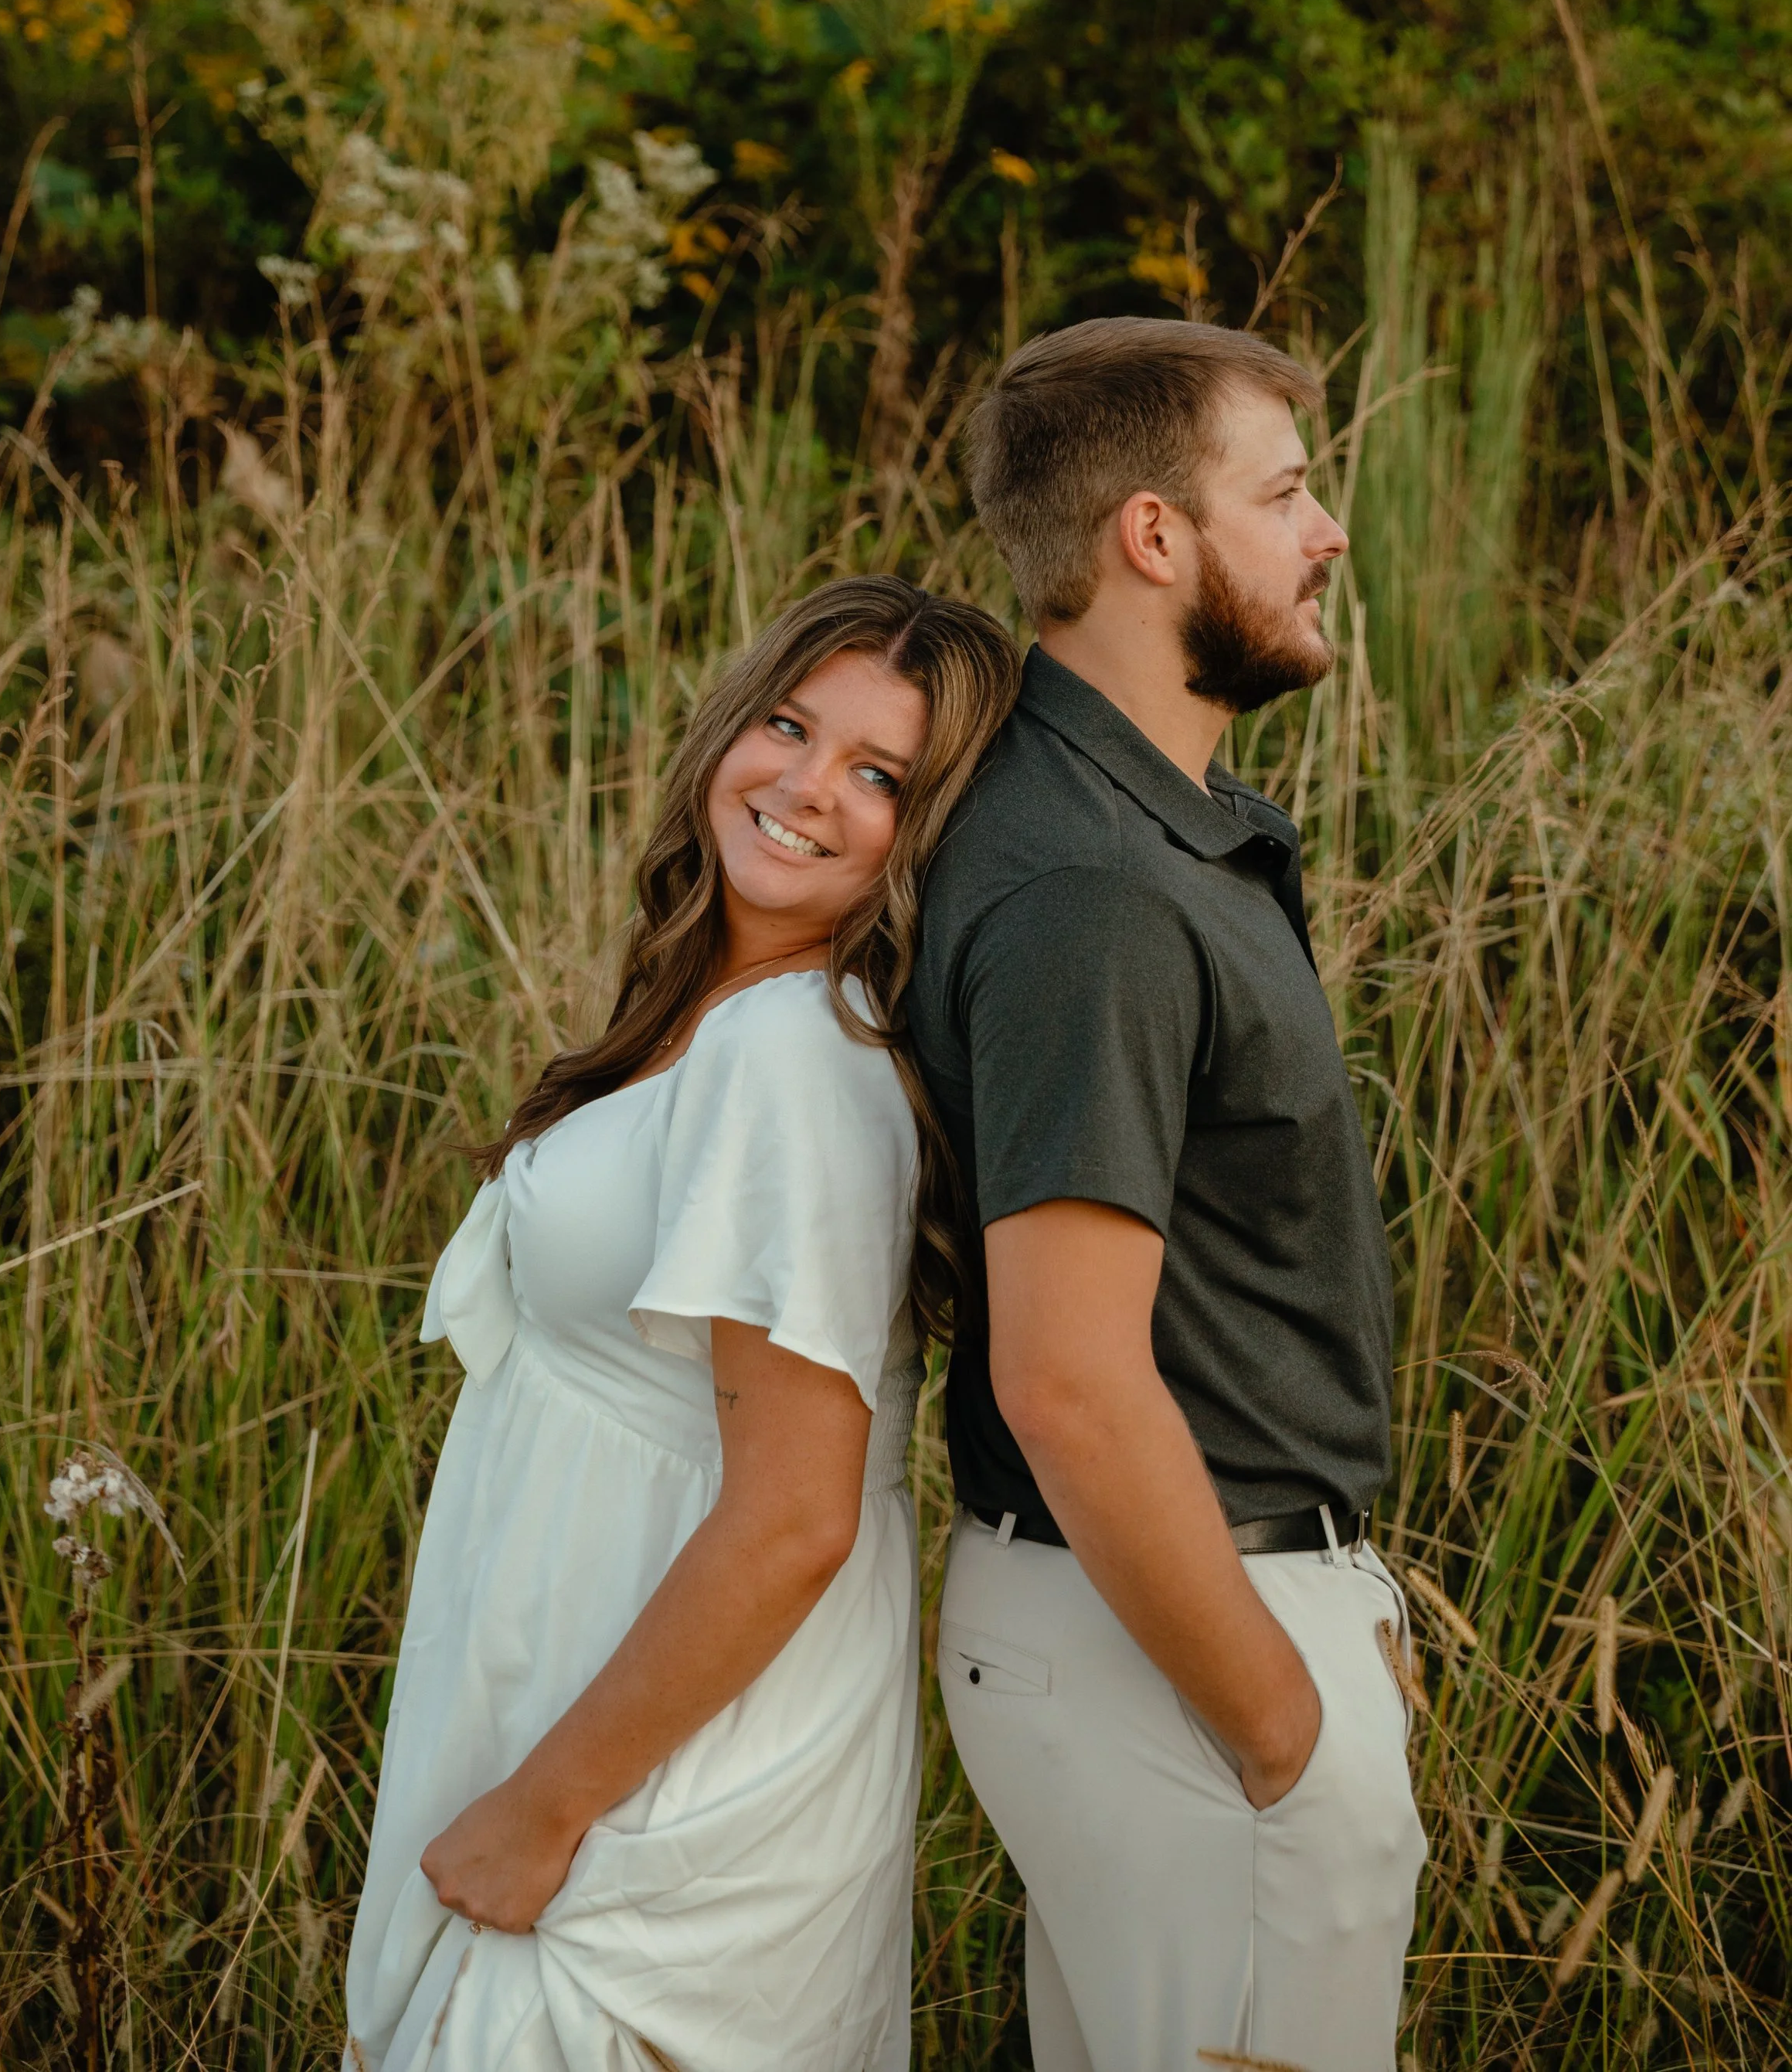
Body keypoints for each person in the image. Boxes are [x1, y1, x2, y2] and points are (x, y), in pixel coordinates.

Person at [343, 575, 1020, 2072]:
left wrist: (547, 1809)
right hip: (587, 1717)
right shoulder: (716, 1017)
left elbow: (795, 1518)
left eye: (879, 776)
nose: (805, 786)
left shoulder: (794, 1054)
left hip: (659, 1801)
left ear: (929, 835)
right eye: (788, 725)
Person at [904, 317, 1426, 2072]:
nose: (1326, 531)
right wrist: (1281, 1721)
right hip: (1173, 1651)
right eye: (1282, 494)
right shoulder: (1095, 887)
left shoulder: (1139, 824)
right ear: (1152, 535)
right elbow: (1066, 1376)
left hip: (1175, 1621)